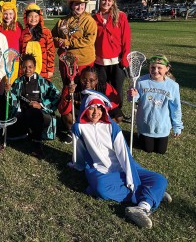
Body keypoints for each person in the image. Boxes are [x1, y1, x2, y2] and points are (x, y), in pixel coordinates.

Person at [71, 90, 171, 229]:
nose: (95, 112)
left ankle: (142, 207)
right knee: (101, 188)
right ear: (84, 109)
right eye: (91, 108)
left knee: (160, 179)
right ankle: (150, 193)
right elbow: (80, 150)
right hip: (101, 170)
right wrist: (78, 165)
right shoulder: (79, 128)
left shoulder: (112, 127)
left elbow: (124, 154)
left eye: (99, 108)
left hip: (125, 166)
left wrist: (132, 179)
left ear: (104, 110)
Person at [5, 54, 60, 156]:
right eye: (24, 67)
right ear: (21, 67)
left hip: (40, 115)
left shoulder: (42, 82)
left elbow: (56, 95)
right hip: (22, 114)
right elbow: (12, 98)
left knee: (34, 113)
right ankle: (24, 133)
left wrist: (41, 105)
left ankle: (37, 145)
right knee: (10, 133)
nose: (27, 70)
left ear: (35, 67)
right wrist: (8, 92)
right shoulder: (18, 81)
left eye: (30, 67)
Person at [128, 55, 183, 154]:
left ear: (167, 68)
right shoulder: (141, 81)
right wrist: (133, 95)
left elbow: (176, 107)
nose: (156, 70)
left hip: (162, 125)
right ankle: (141, 135)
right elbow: (133, 100)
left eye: (159, 68)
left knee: (161, 151)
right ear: (149, 67)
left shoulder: (173, 86)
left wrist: (177, 126)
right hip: (145, 123)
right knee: (147, 149)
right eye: (153, 67)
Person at [58, 66, 123, 143]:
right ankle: (73, 131)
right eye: (84, 79)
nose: (87, 83)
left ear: (96, 81)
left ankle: (102, 130)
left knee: (119, 117)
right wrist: (68, 96)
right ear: (80, 78)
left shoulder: (104, 86)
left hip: (97, 112)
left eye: (91, 80)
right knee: (67, 116)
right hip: (80, 111)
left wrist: (102, 111)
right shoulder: (72, 87)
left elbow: (115, 102)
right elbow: (63, 110)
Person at [93, 0, 130, 112]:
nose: (106, 3)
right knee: (101, 89)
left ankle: (117, 113)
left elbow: (126, 38)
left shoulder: (120, 16)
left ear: (113, 2)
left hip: (116, 61)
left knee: (117, 89)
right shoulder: (94, 18)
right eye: (104, 0)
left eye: (109, 0)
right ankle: (103, 112)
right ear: (100, 1)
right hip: (99, 61)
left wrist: (125, 58)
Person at [52, 0, 97, 85]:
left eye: (82, 4)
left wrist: (68, 43)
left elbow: (89, 40)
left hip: (83, 61)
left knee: (83, 88)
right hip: (65, 61)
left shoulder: (89, 20)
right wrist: (58, 41)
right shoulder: (62, 21)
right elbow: (52, 36)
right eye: (77, 4)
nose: (80, 7)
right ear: (71, 5)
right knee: (68, 88)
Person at [20, 3, 55, 81]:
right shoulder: (24, 33)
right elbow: (21, 52)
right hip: (27, 70)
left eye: (36, 16)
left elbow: (51, 51)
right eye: (30, 16)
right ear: (26, 17)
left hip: (43, 69)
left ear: (40, 17)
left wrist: (50, 69)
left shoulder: (46, 32)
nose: (33, 19)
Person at [0, 0, 22, 84]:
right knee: (3, 82)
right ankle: (2, 96)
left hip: (15, 59)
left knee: (12, 81)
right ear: (2, 14)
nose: (8, 16)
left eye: (10, 14)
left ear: (14, 14)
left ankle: (11, 97)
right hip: (2, 59)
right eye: (6, 14)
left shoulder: (18, 26)